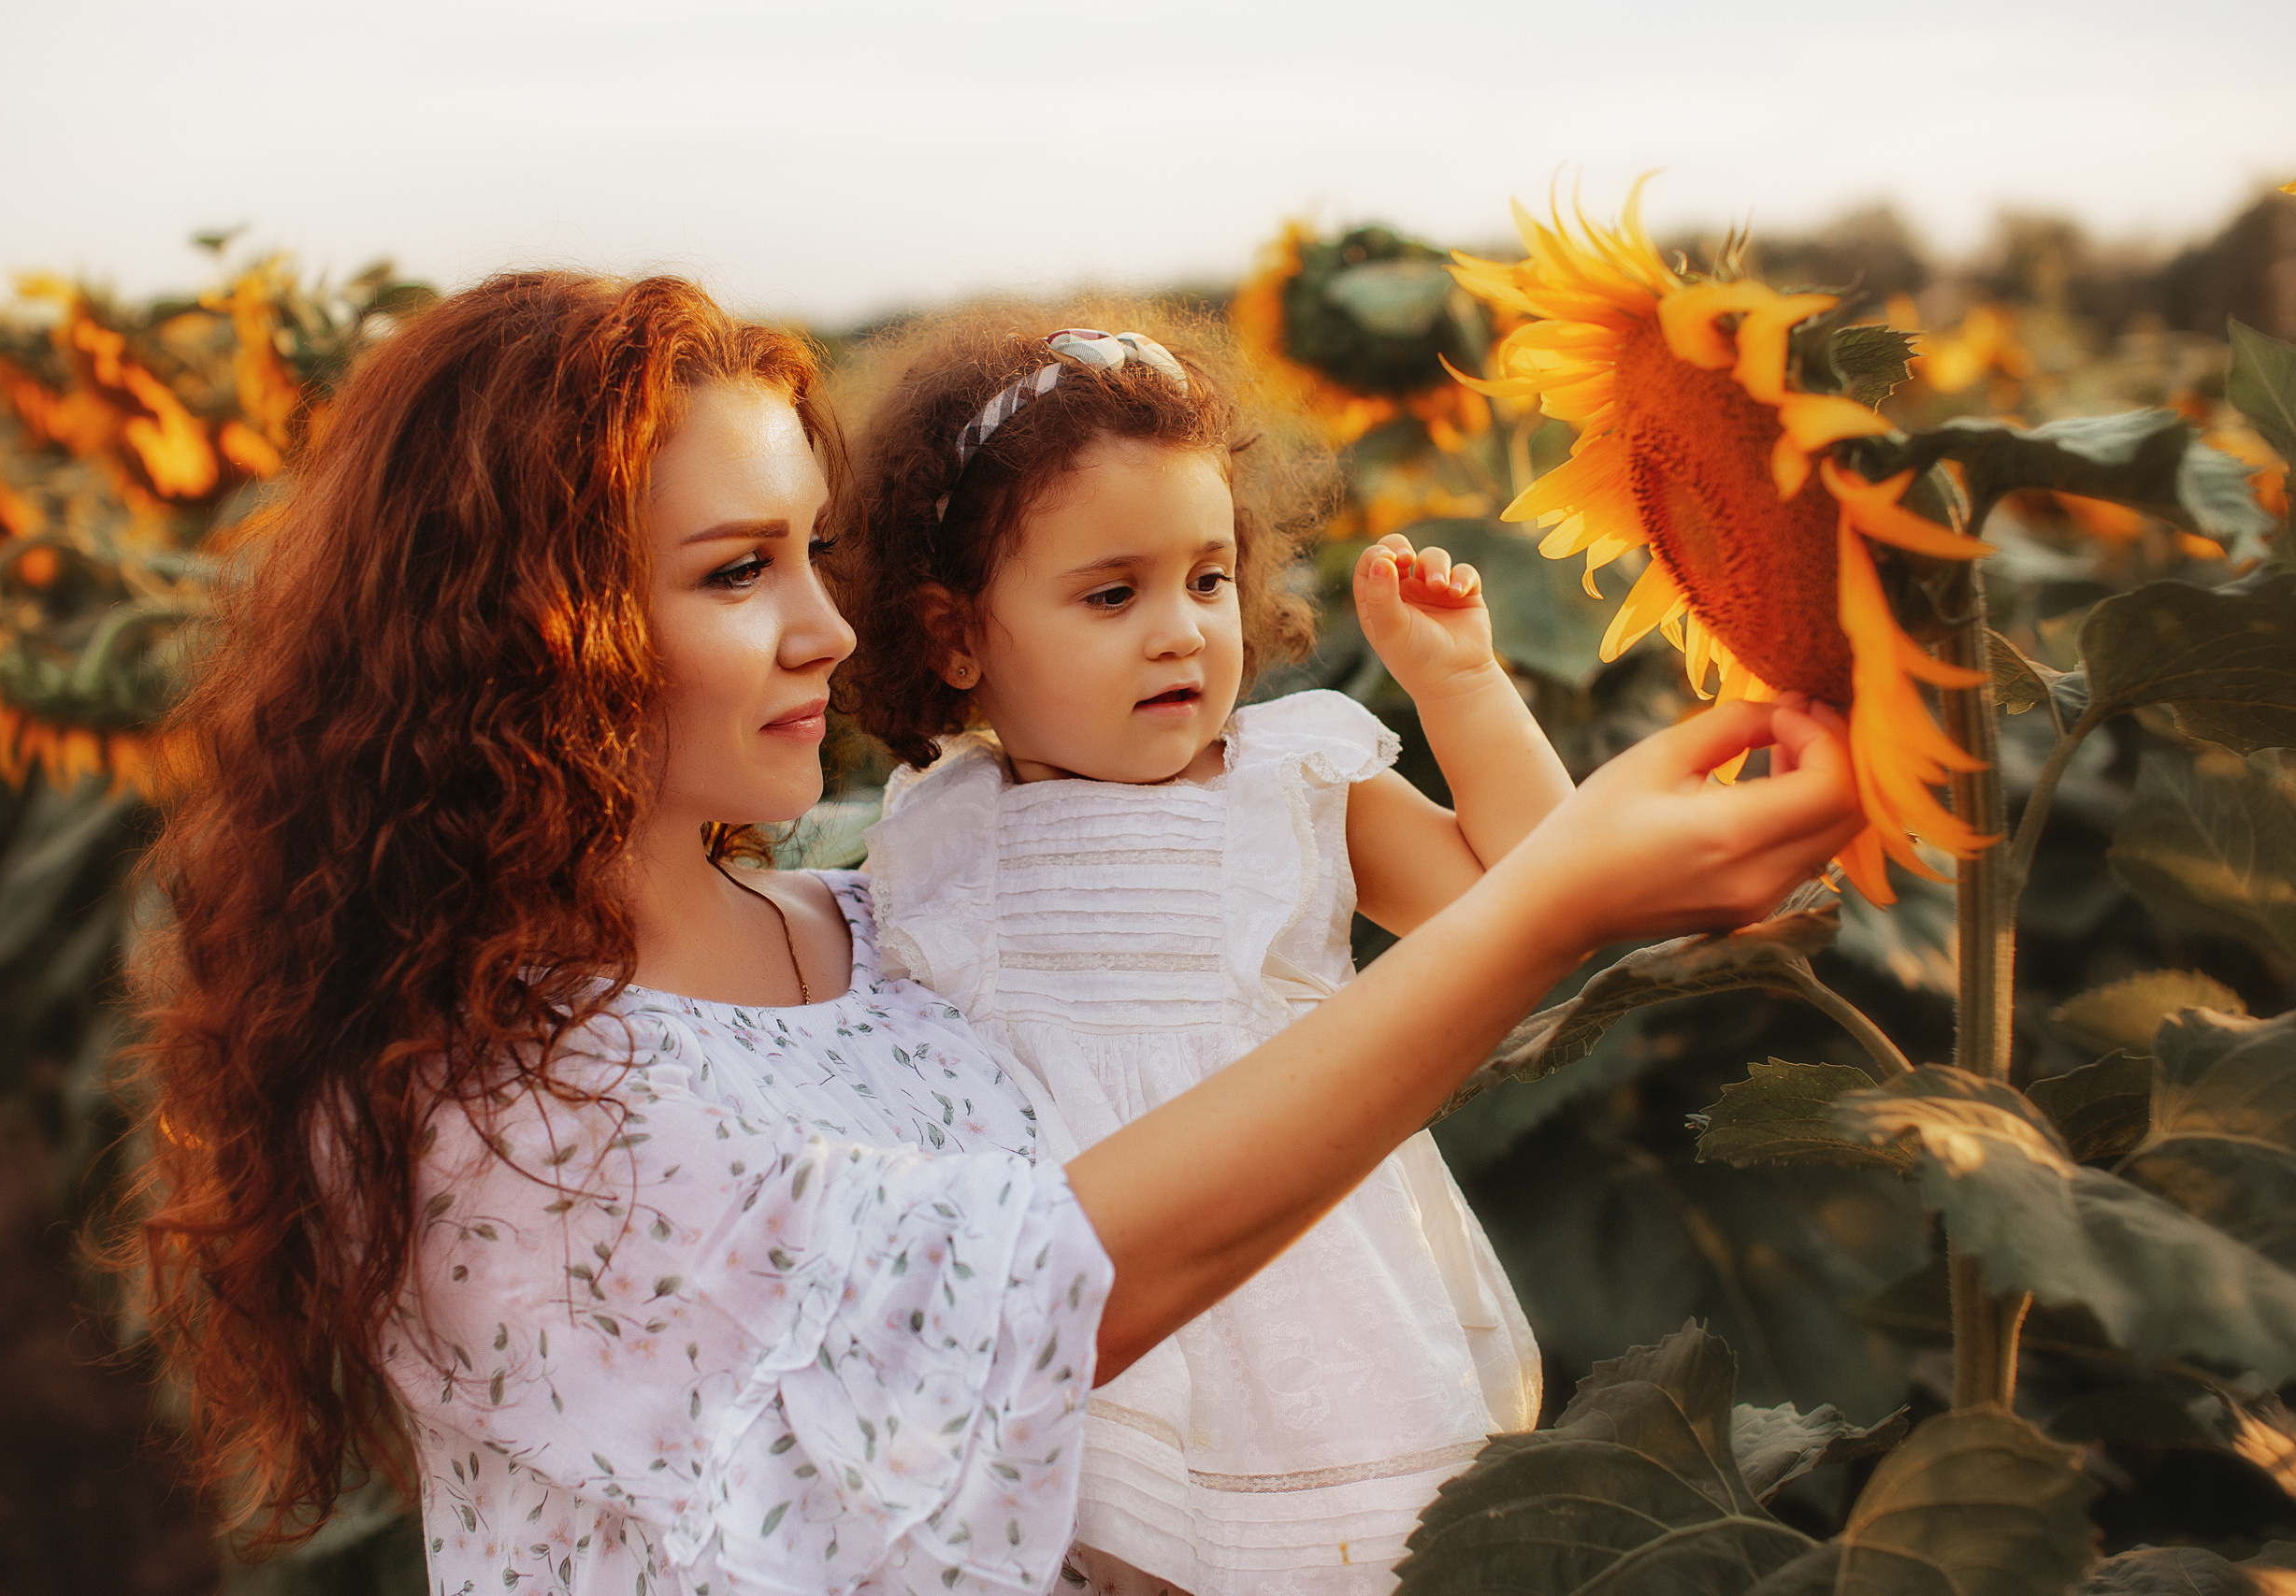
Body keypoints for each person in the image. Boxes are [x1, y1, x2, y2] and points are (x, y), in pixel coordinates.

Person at [117, 271, 1862, 1596]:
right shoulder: (502, 1099)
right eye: (735, 571)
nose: (827, 626)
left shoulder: (879, 924)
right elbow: (1022, 1301)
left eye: (815, 553)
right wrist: (1549, 911)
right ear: (530, 627)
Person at [835, 307, 1577, 1595]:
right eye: (1112, 594)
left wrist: (1459, 683)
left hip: (1313, 1296)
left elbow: (1533, 895)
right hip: (1100, 1329)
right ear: (955, 636)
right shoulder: (937, 835)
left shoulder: (1296, 782)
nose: (1180, 629)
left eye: (1209, 578)